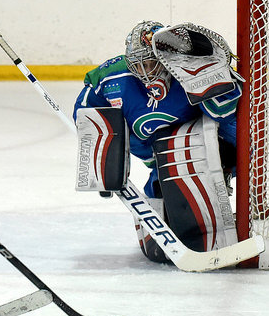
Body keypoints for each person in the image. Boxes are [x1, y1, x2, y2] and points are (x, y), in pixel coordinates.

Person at [73, 21, 241, 264]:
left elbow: (225, 115)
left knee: (182, 155)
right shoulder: (113, 78)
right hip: (157, 156)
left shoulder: (188, 69)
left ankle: (227, 214)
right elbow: (86, 113)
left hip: (197, 145)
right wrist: (102, 163)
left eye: (150, 63)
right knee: (155, 250)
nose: (145, 71)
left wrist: (244, 159)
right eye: (137, 65)